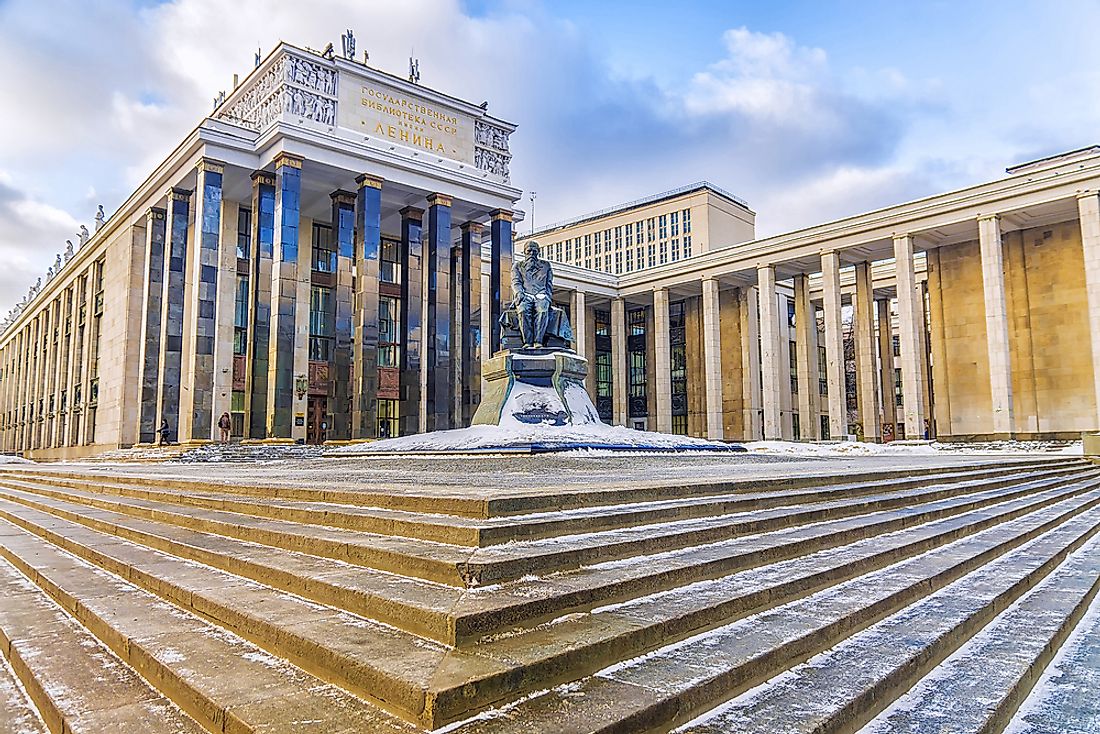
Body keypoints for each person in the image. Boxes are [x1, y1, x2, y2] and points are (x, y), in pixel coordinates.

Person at [511, 240, 553, 348]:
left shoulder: (546, 265)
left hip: (541, 295)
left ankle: (538, 341)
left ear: (538, 252)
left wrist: (548, 296)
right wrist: (519, 293)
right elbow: (516, 282)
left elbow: (549, 283)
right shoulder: (518, 266)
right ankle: (527, 342)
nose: (531, 254)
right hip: (526, 295)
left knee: (542, 310)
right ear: (524, 252)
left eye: (534, 251)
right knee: (523, 310)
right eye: (529, 251)